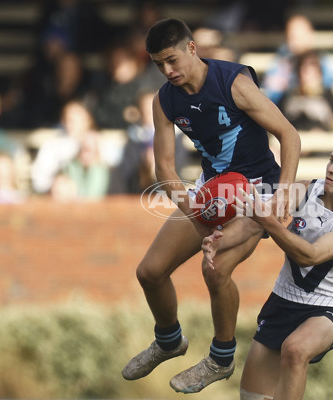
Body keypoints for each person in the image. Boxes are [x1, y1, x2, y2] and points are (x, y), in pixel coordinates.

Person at [120, 18, 301, 393]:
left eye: (171, 60)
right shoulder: (164, 100)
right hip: (213, 191)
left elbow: (289, 135)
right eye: (157, 64)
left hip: (256, 191)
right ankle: (169, 340)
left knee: (215, 268)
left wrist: (283, 196)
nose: (166, 71)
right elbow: (165, 168)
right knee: (149, 272)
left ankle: (221, 358)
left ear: (191, 48)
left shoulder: (233, 83)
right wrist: (197, 215)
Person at [202, 135, 333, 400]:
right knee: (251, 396)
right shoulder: (304, 190)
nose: (331, 168)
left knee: (295, 350)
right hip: (282, 301)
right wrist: (219, 240)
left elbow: (309, 256)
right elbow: (255, 221)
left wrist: (268, 221)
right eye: (332, 160)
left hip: (329, 308)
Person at [261, 14, 333, 107]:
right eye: (292, 37)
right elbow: (271, 94)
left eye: (300, 36)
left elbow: (329, 89)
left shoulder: (323, 60)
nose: (296, 42)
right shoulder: (282, 62)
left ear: (310, 35)